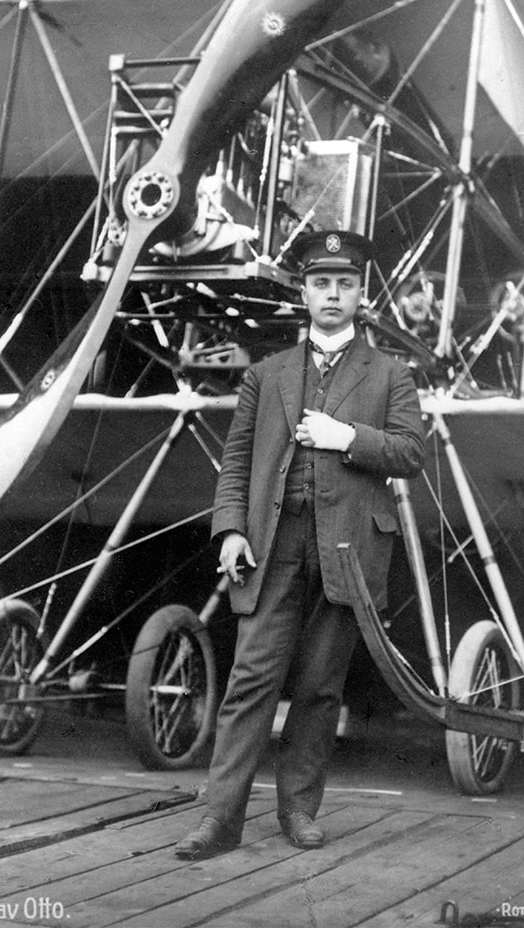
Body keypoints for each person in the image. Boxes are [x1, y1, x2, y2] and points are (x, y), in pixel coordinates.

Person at [172, 229, 426, 859]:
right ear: (304, 293)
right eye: (320, 284)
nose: (332, 295)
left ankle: (299, 813)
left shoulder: (391, 374)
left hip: (347, 553)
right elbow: (236, 463)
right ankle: (219, 822)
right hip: (272, 545)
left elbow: (411, 452)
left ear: (361, 293)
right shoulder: (267, 375)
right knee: (250, 682)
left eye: (344, 284)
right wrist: (230, 528)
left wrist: (346, 437)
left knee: (318, 687)